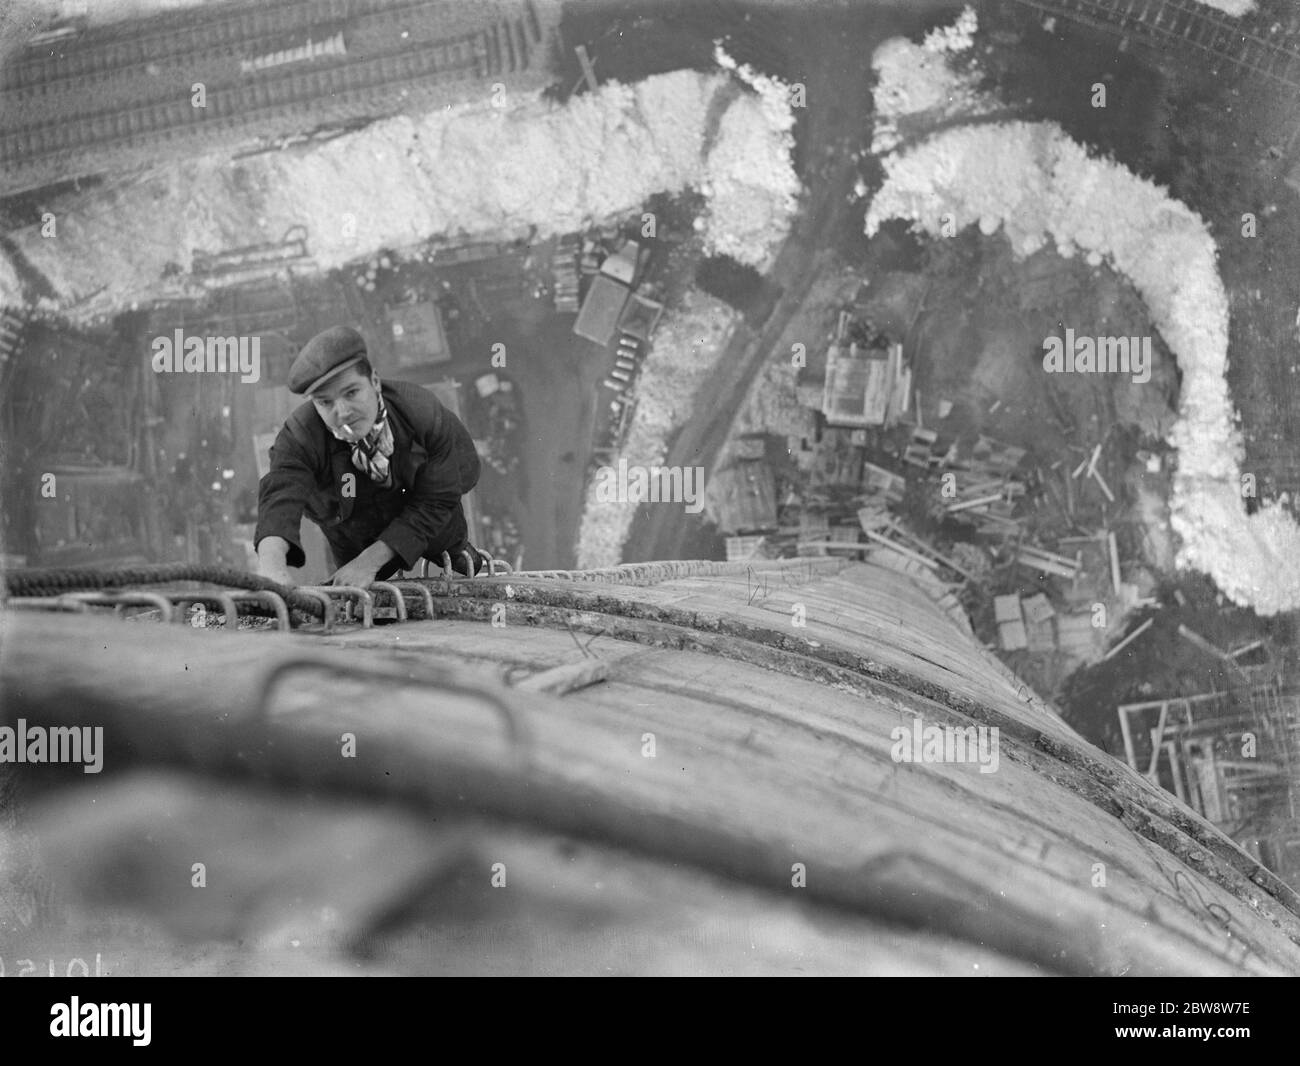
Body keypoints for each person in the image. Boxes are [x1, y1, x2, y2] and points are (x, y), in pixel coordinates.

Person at [254, 325, 488, 587]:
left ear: (375, 382)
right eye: (325, 402)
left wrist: (369, 562)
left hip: (421, 505)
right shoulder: (300, 435)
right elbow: (279, 495)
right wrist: (271, 565)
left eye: (351, 393)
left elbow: (437, 500)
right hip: (352, 527)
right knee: (363, 601)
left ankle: (465, 560)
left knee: (455, 553)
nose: (342, 412)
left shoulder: (421, 414)